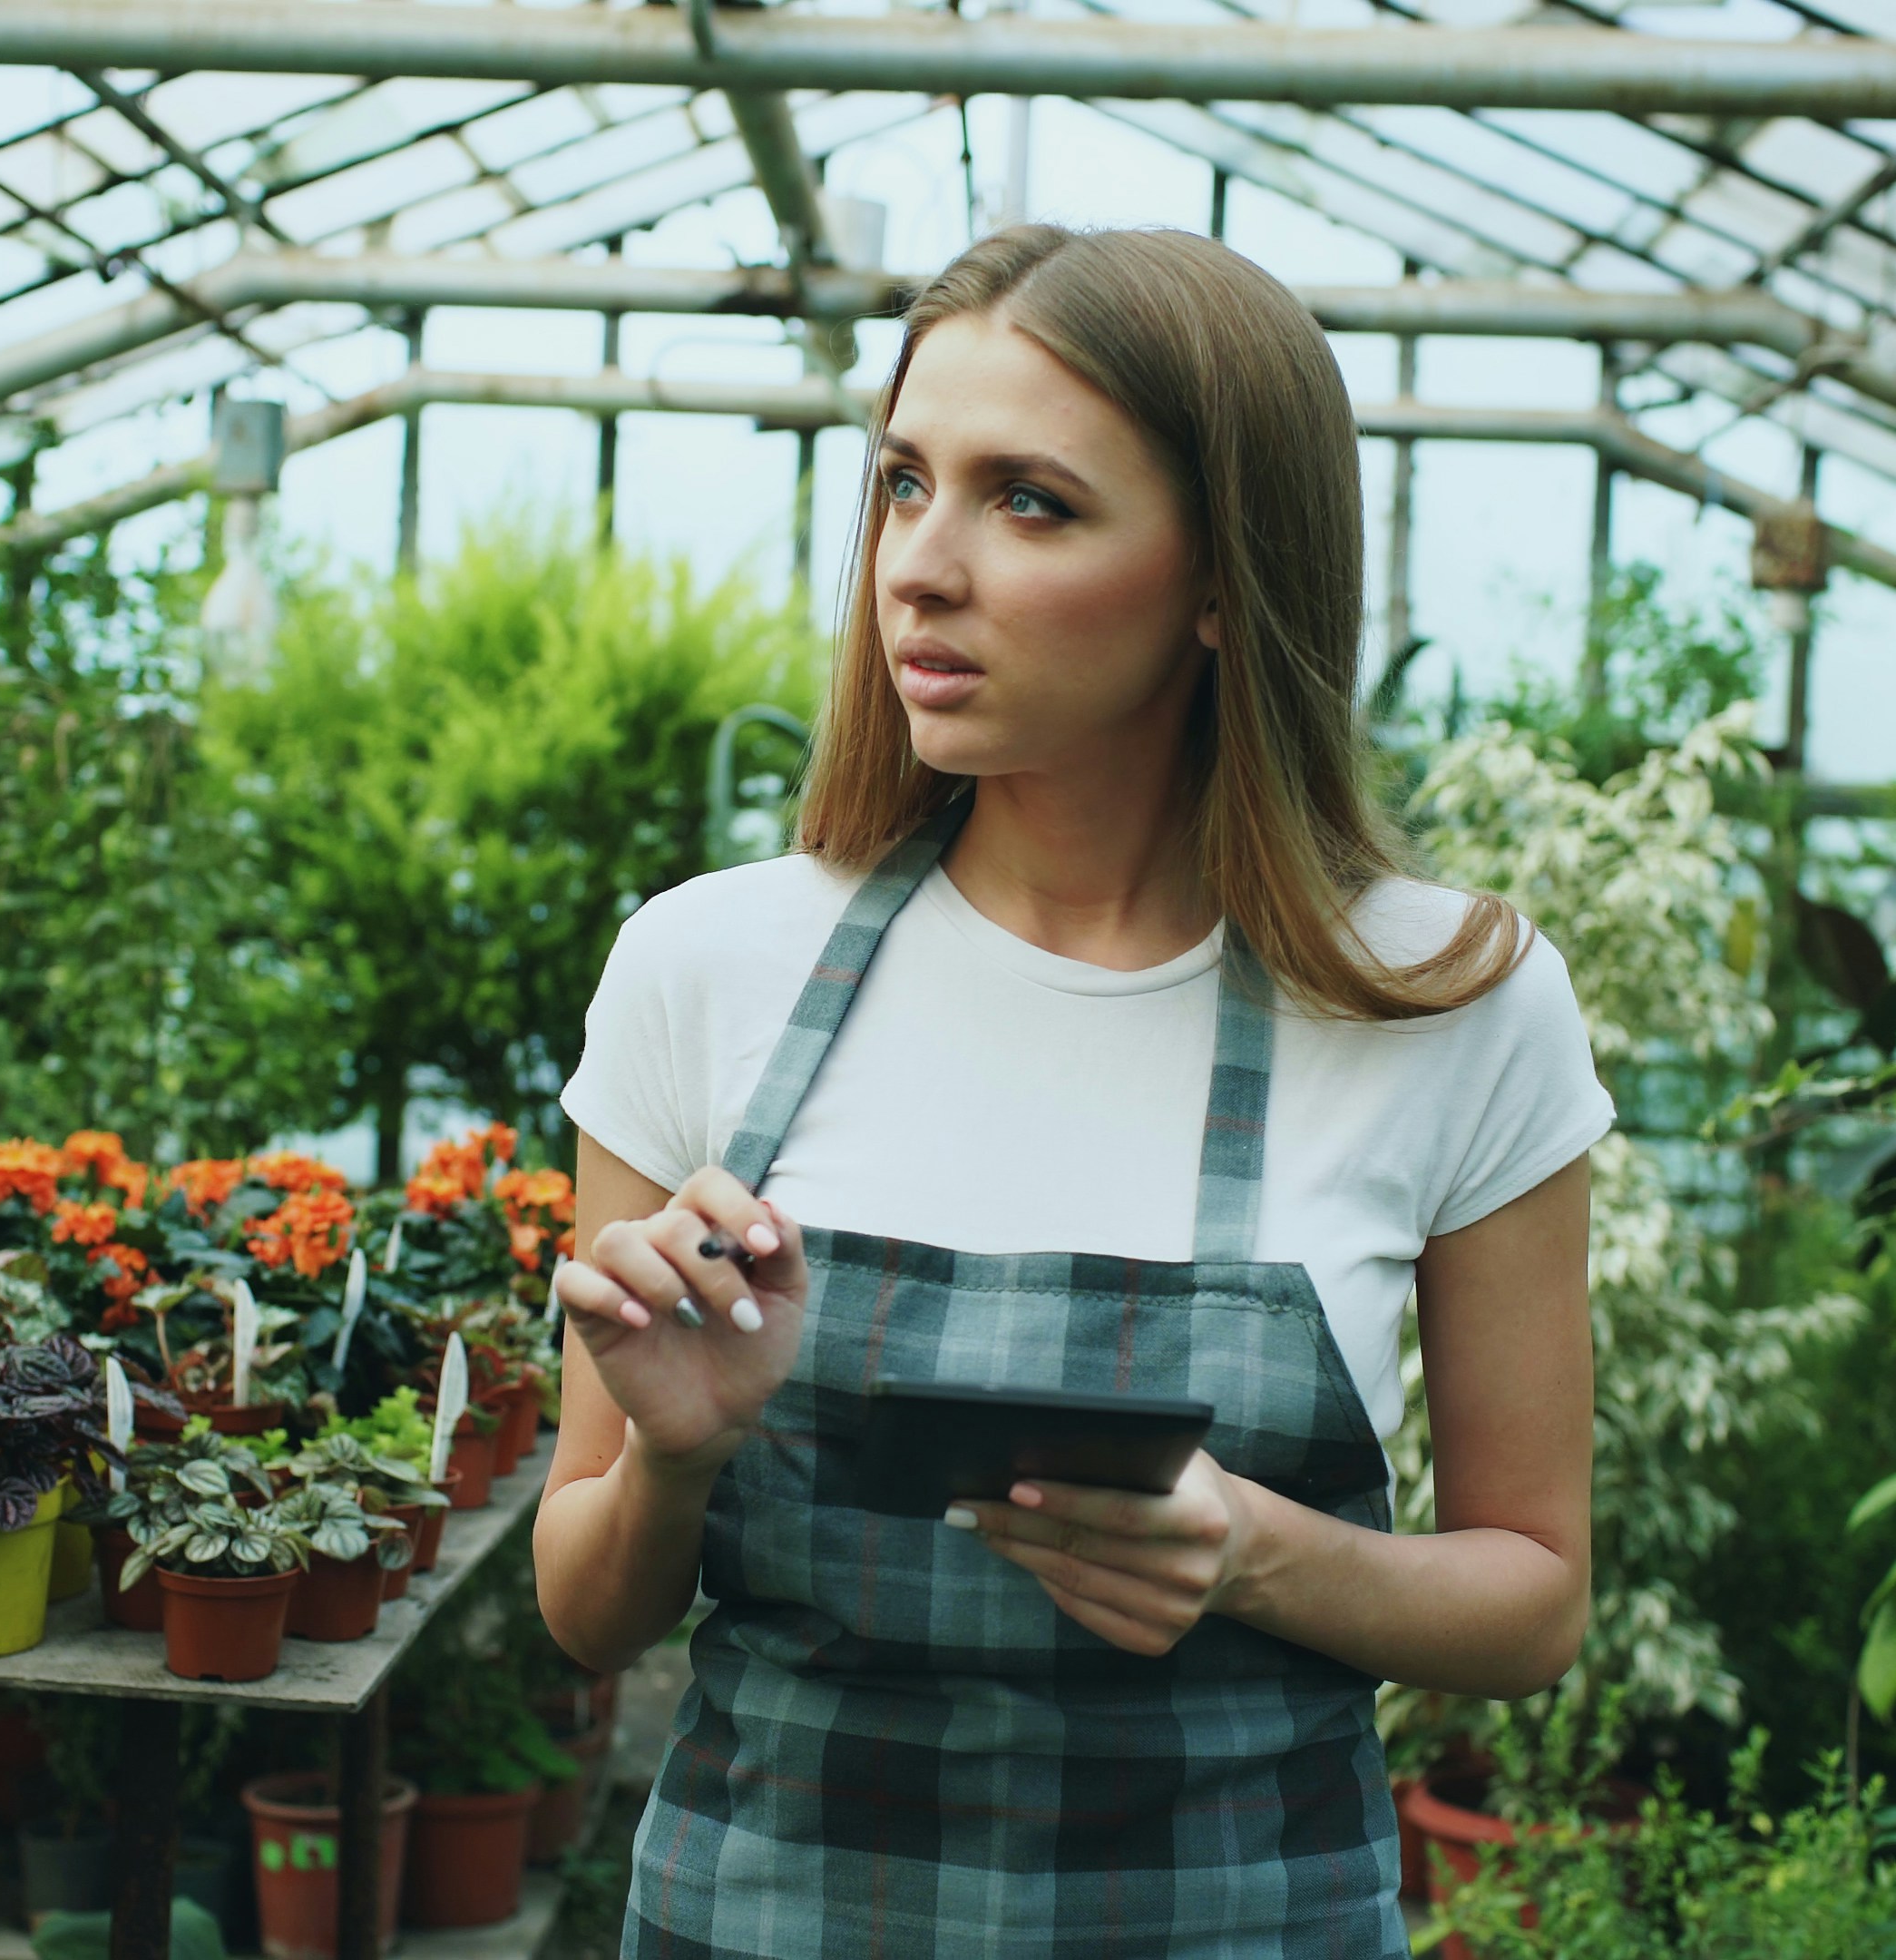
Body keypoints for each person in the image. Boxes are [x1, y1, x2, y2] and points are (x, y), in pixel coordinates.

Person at [533, 225, 1607, 1958]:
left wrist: (1259, 1554)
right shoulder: (706, 970)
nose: (920, 567)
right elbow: (587, 1615)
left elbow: (1534, 1597)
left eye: (1029, 500)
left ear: (1216, 577)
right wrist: (674, 1452)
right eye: (902, 482)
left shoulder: (1453, 1002)